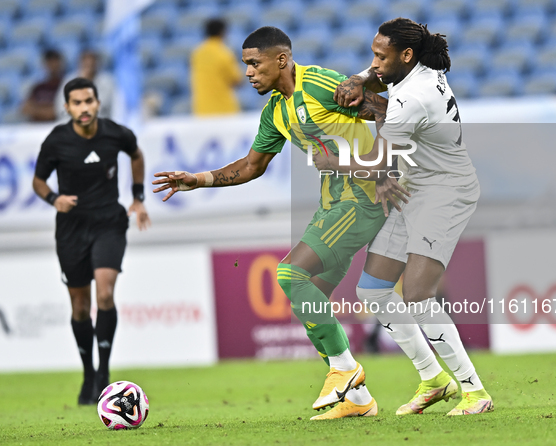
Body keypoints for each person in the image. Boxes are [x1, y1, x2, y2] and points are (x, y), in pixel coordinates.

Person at [153, 26, 410, 420]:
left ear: (281, 60)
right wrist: (199, 179)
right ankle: (359, 401)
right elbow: (251, 166)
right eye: (246, 66)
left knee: (291, 275)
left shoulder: (323, 84)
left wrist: (384, 167)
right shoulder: (275, 110)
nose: (248, 73)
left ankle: (345, 370)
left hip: (365, 196)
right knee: (308, 300)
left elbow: (388, 112)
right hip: (332, 204)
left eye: (254, 64)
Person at [328, 18, 494, 416]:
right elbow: (383, 99)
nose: (374, 63)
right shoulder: (419, 70)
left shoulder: (413, 96)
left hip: (445, 190)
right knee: (372, 291)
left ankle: (474, 392)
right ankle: (433, 380)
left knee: (418, 294)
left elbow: (378, 159)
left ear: (406, 56)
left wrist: (329, 160)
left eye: (380, 57)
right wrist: (362, 78)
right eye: (372, 54)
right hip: (414, 185)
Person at [33, 78, 150, 405]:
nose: (84, 108)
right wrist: (54, 198)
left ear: (98, 103)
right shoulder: (57, 141)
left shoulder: (116, 133)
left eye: (89, 101)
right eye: (77, 103)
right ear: (67, 107)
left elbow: (136, 154)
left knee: (105, 293)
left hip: (109, 223)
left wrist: (138, 197)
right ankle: (88, 372)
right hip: (71, 229)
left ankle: (104, 373)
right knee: (81, 307)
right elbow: (38, 181)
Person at [190, 18, 242, 115]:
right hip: (224, 110)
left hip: (202, 109)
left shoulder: (197, 53)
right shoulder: (224, 53)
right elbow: (237, 81)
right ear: (222, 32)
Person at [55, 50, 116, 121]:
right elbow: (60, 108)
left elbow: (111, 108)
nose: (89, 68)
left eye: (92, 64)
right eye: (86, 64)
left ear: (97, 64)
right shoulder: (69, 80)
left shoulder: (107, 81)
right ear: (80, 64)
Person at [21, 49, 64, 122]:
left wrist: (36, 110)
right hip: (37, 129)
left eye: (55, 62)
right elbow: (25, 109)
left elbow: (57, 112)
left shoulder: (64, 86)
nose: (52, 66)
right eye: (49, 62)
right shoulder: (38, 88)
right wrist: (46, 111)